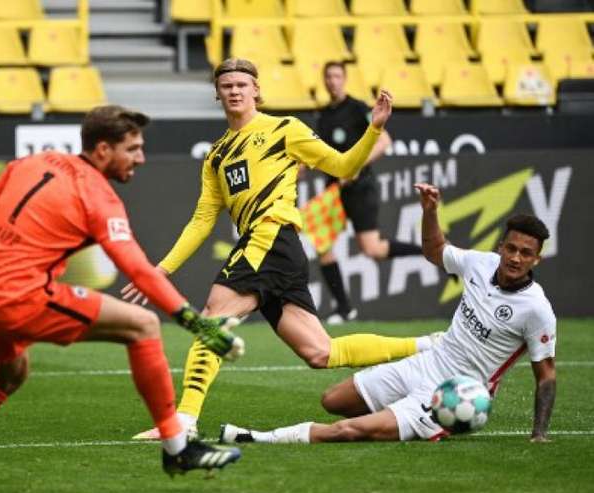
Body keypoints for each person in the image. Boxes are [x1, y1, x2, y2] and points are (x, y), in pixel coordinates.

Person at [0, 105, 245, 493]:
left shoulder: (30, 163)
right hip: (17, 295)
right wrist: (194, 321)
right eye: (132, 149)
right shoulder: (98, 197)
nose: (141, 158)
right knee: (143, 325)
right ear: (102, 150)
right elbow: (139, 270)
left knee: (8, 377)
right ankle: (178, 448)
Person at [124, 58, 429, 441]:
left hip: (270, 238)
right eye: (227, 85)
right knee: (321, 352)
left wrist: (373, 129)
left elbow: (343, 165)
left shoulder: (284, 129)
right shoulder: (216, 154)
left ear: (256, 90)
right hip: (273, 250)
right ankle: (428, 345)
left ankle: (183, 420)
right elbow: (203, 219)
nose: (234, 90)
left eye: (241, 84)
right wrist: (163, 269)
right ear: (217, 94)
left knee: (212, 319)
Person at [219, 183, 557, 444]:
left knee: (346, 431)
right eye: (511, 248)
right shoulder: (479, 263)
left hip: (453, 394)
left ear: (536, 260)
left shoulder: (536, 309)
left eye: (526, 254)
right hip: (427, 363)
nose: (515, 258)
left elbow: (546, 376)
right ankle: (399, 417)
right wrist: (430, 210)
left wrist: (539, 433)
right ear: (501, 247)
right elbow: (434, 250)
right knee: (333, 400)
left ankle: (259, 437)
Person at [311, 61, 423, 325]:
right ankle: (345, 308)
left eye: (337, 76)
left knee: (371, 249)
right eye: (328, 76)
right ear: (324, 81)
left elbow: (384, 141)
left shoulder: (357, 108)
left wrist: (355, 167)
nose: (333, 81)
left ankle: (432, 251)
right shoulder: (324, 115)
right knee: (323, 246)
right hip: (333, 190)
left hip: (361, 188)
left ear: (345, 79)